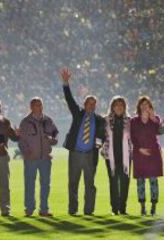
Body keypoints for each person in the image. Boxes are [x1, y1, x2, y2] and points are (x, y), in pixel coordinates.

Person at [60, 67, 105, 216]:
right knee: (73, 184)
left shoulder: (99, 120)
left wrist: (96, 148)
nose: (91, 106)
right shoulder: (78, 113)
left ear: (95, 106)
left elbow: (101, 137)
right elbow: (69, 99)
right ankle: (73, 210)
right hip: (75, 154)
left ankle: (89, 211)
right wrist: (66, 83)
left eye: (93, 104)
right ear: (84, 105)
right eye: (89, 103)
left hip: (90, 155)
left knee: (90, 185)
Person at [18, 97, 59, 217]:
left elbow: (55, 134)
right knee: (29, 184)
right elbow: (21, 141)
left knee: (45, 184)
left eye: (41, 105)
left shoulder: (48, 120)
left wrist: (53, 140)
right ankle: (29, 209)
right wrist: (26, 153)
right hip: (31, 159)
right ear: (31, 107)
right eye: (36, 105)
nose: (39, 107)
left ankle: (44, 209)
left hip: (45, 159)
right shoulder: (25, 122)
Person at [130, 96, 163, 216]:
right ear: (139, 107)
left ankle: (154, 206)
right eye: (142, 105)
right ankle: (142, 206)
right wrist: (140, 149)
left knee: (153, 181)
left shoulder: (156, 119)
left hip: (153, 153)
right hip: (139, 154)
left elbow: (159, 131)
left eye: (147, 105)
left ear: (150, 106)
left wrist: (152, 117)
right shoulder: (134, 121)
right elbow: (132, 137)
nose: (144, 107)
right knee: (140, 181)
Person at [101, 96, 132, 215]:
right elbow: (101, 136)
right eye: (116, 105)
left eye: (121, 105)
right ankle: (114, 208)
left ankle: (122, 208)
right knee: (113, 181)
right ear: (112, 107)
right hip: (110, 156)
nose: (119, 107)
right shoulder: (106, 120)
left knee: (125, 181)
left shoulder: (130, 121)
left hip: (126, 155)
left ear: (124, 107)